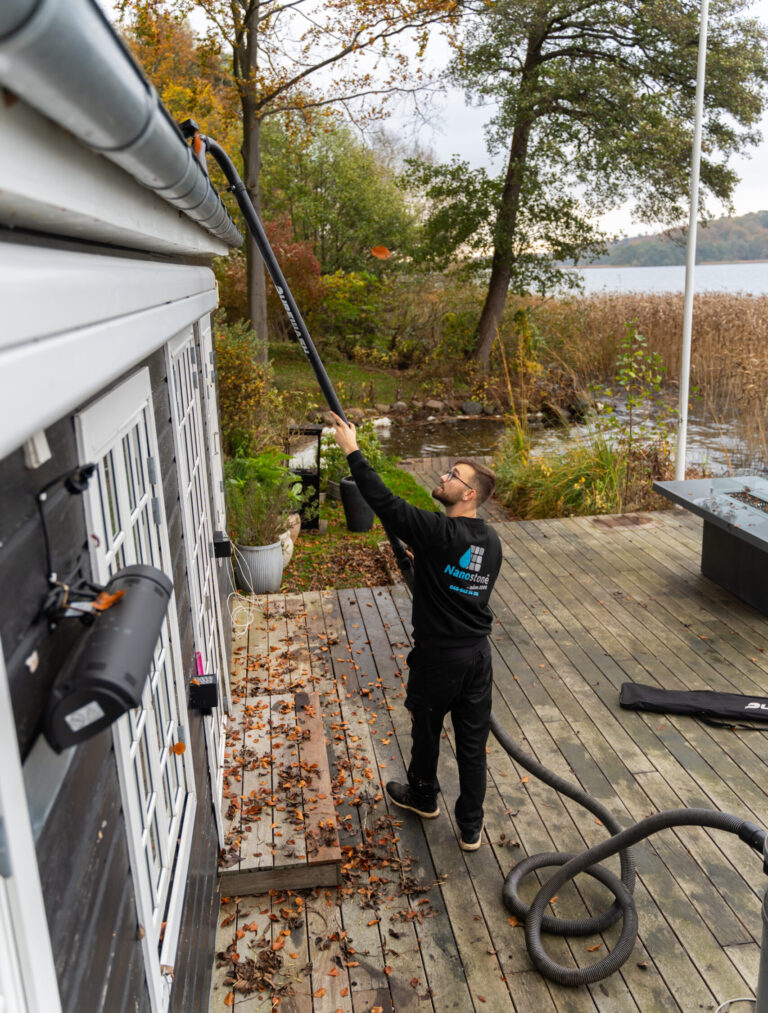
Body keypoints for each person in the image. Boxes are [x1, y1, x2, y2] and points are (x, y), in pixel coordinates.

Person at [329, 412, 502, 851]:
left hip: (439, 658)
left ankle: (423, 796)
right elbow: (454, 581)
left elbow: (387, 504)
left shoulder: (440, 532)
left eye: (452, 475)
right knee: (472, 743)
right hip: (478, 658)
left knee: (425, 728)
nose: (443, 477)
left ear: (467, 493)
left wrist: (353, 450)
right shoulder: (489, 541)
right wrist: (421, 560)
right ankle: (470, 828)